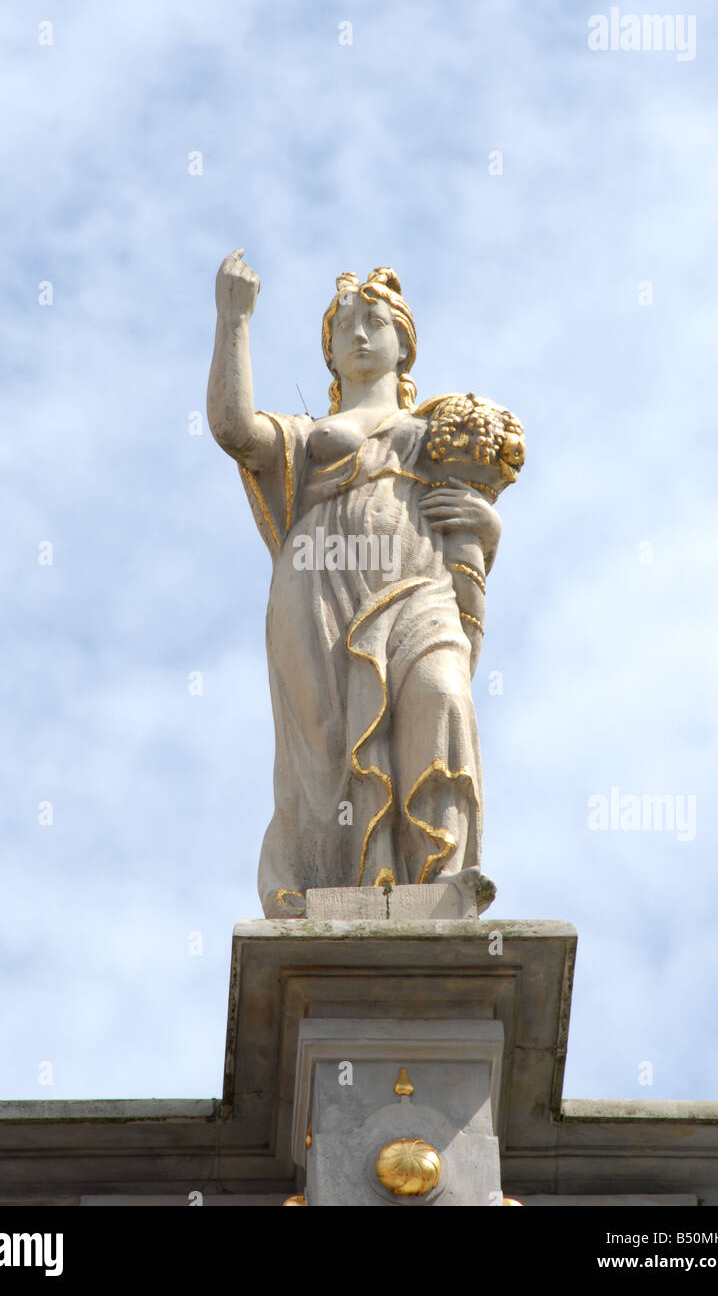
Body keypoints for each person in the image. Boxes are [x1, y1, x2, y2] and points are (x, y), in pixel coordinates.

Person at [207, 251, 520, 918]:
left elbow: (470, 524)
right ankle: (329, 887)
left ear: (404, 342)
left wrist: (487, 529)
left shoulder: (439, 432)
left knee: (441, 696)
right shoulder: (305, 436)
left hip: (418, 587)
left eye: (373, 322)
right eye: (343, 326)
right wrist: (233, 319)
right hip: (317, 585)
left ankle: (440, 871)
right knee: (325, 746)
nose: (357, 334)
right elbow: (234, 428)